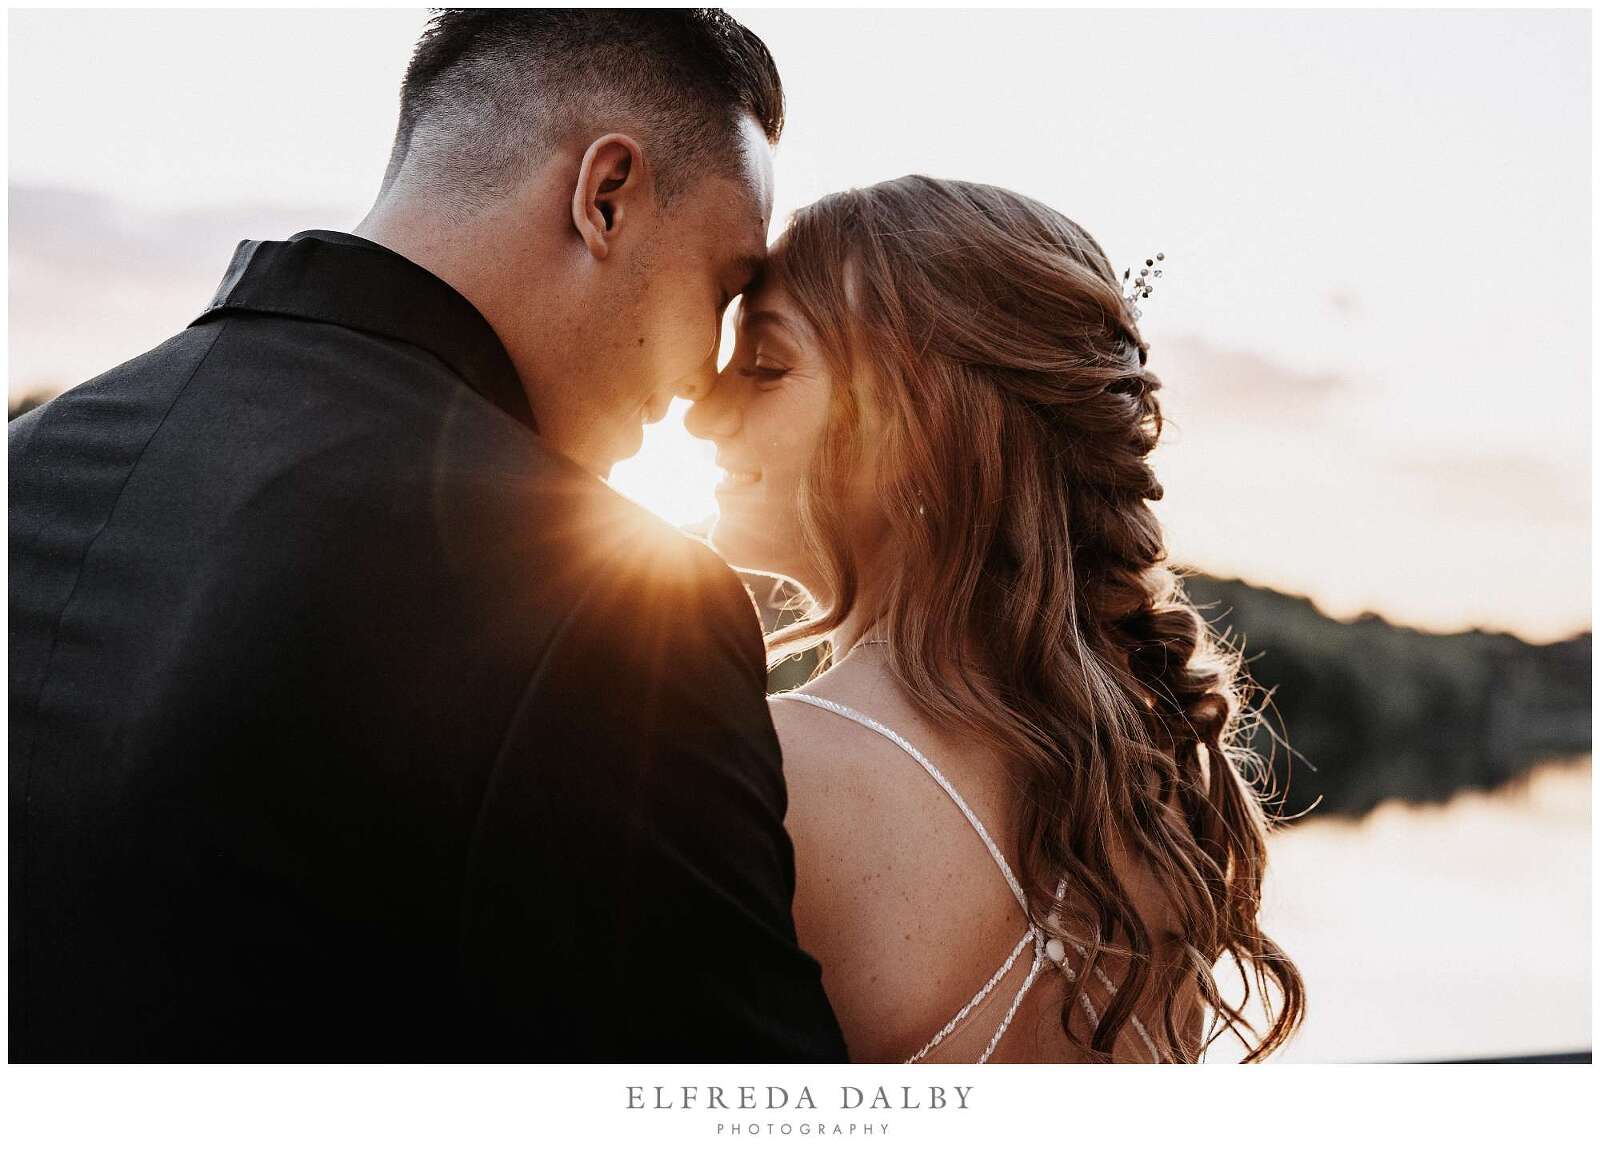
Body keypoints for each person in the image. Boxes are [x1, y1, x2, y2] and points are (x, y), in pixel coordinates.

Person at [9, 9, 846, 1061]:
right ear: (606, 197)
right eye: (723, 287)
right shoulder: (617, 605)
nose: (701, 379)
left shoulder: (28, 467)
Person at [688, 176, 1306, 1062]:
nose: (703, 412)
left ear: (920, 429)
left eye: (766, 366)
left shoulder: (771, 773)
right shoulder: (1157, 781)